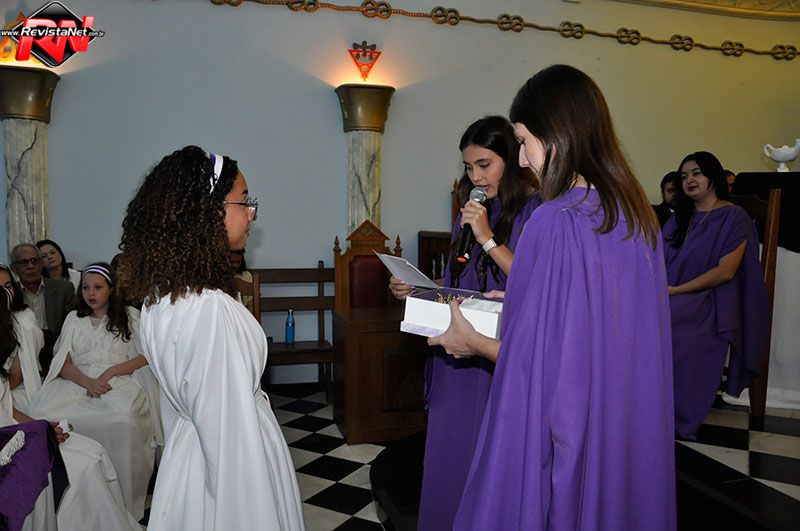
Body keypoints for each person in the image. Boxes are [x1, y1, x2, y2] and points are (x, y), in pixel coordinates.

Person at [430, 65, 676, 530]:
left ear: (557, 137)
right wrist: (523, 302)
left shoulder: (555, 218)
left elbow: (543, 368)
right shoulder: (636, 215)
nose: (523, 160)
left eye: (524, 141)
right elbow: (601, 326)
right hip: (624, 422)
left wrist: (472, 342)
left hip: (572, 425)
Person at [118, 146, 304, 530]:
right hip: (232, 470)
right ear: (208, 210)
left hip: (188, 456)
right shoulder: (209, 310)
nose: (252, 213)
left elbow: (181, 406)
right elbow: (230, 444)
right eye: (244, 201)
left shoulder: (161, 297)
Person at [389, 115, 540, 530]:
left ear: (512, 159)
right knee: (448, 453)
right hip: (454, 348)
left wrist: (487, 237)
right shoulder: (471, 212)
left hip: (495, 352)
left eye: (484, 165)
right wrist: (418, 287)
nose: (475, 177)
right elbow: (463, 281)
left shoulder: (535, 212)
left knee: (486, 457)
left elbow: (533, 283)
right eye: (469, 167)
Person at [1, 285, 142, 531]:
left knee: (93, 451)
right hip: (7, 446)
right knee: (83, 465)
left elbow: (6, 409)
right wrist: (41, 433)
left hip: (13, 431)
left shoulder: (130, 317)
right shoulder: (75, 319)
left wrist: (44, 428)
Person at [27, 262, 161, 520]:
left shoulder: (131, 316)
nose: (91, 293)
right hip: (77, 380)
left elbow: (146, 357)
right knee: (43, 412)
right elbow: (63, 362)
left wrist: (110, 372)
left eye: (97, 287)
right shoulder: (74, 319)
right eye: (86, 287)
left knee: (122, 418)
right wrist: (87, 382)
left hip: (119, 379)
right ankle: (66, 502)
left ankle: (121, 503)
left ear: (111, 289)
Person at [663, 151, 769, 439]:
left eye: (697, 173)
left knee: (669, 324)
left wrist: (675, 291)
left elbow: (726, 272)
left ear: (713, 177)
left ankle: (676, 414)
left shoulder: (735, 217)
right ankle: (644, 406)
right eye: (684, 176)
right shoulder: (679, 219)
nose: (689, 180)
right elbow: (655, 259)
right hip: (671, 293)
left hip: (713, 297)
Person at [0, 262, 43, 413]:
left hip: (15, 389)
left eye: (8, 286)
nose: (6, 293)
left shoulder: (24, 320)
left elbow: (16, 376)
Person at [9, 243, 74, 337]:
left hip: (57, 344)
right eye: (24, 262)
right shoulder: (10, 293)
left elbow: (72, 326)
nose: (30, 266)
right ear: (14, 269)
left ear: (41, 264)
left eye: (34, 261)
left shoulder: (63, 289)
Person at [229, 248, 254, 313]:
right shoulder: (218, 277)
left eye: (238, 262)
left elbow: (251, 305)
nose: (235, 265)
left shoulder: (246, 275)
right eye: (232, 262)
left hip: (243, 313)